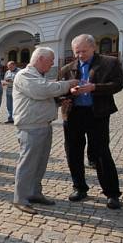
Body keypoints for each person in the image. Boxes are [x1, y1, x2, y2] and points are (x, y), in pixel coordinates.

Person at [58, 34, 123, 209]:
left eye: (83, 51)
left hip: (98, 114)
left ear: (93, 47)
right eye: (76, 52)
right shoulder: (67, 68)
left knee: (101, 153)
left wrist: (95, 88)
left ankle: (112, 193)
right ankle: (79, 187)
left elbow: (117, 85)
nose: (80, 55)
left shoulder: (109, 62)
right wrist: (69, 92)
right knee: (73, 153)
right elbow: (60, 90)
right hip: (73, 114)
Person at [12, 48, 79, 214]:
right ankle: (20, 199)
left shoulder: (39, 76)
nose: (52, 64)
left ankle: (34, 193)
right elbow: (42, 91)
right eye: (51, 60)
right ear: (41, 59)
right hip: (30, 127)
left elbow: (41, 98)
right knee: (28, 164)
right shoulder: (25, 75)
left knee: (39, 163)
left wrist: (57, 103)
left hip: (42, 125)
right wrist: (68, 84)